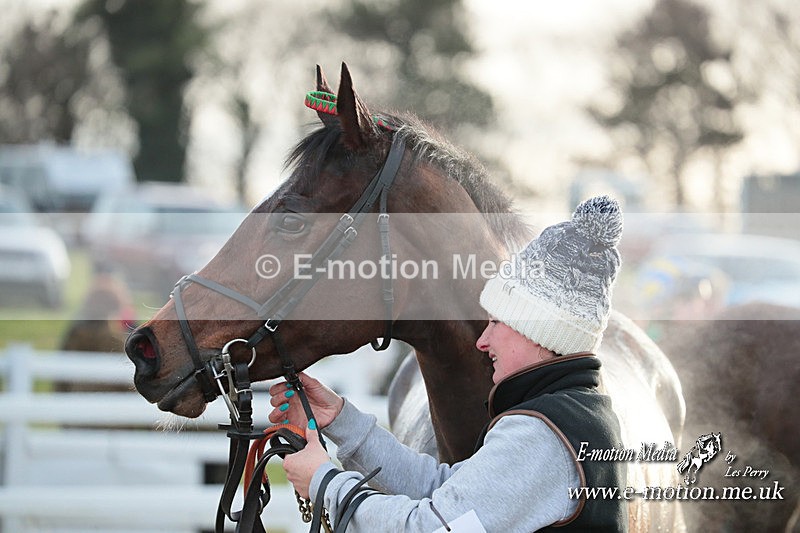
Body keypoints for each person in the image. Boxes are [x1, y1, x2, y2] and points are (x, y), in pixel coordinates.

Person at [270, 195, 628, 532]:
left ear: (538, 332)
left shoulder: (538, 434)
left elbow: (430, 527)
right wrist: (340, 419)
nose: (482, 341)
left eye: (497, 322)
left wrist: (322, 482)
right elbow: (447, 489)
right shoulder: (574, 416)